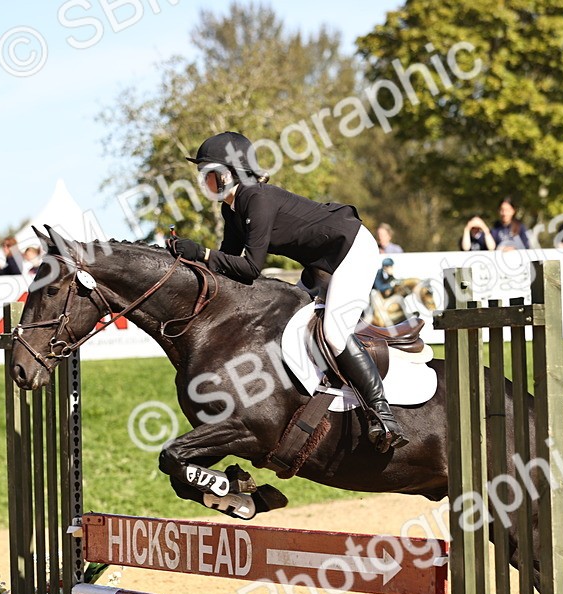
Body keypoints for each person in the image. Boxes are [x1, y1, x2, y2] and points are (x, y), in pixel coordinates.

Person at [167, 130, 407, 452]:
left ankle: (383, 414)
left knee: (334, 333)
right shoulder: (231, 209)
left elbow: (250, 267)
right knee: (287, 326)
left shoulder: (256, 198)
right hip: (320, 263)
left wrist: (202, 252)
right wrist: (188, 259)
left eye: (208, 173)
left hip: (350, 250)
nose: (203, 182)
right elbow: (227, 265)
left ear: (230, 173)